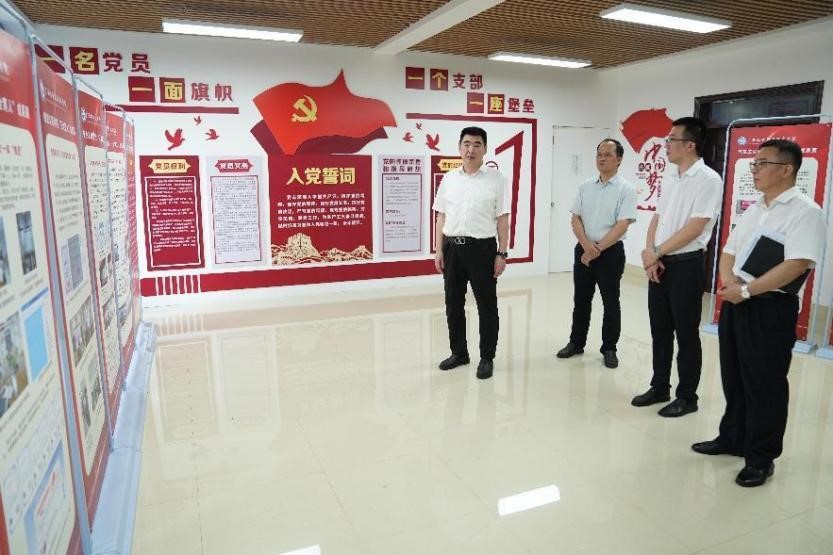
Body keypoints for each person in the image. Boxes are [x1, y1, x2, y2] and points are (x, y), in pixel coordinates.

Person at [692, 139, 825, 487]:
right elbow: (729, 250)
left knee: (765, 384)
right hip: (737, 302)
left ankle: (761, 457)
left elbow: (797, 264)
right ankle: (732, 438)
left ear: (787, 169)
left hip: (770, 308)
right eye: (754, 163)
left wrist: (747, 290)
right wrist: (729, 283)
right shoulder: (756, 209)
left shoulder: (805, 211)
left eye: (762, 163)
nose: (755, 170)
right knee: (734, 376)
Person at [632, 117, 722, 417]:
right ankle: (659, 386)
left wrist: (657, 251)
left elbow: (696, 227)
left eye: (671, 139)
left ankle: (687, 396)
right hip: (660, 262)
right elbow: (658, 217)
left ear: (690, 145)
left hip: (686, 265)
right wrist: (650, 253)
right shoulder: (671, 176)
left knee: (686, 334)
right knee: (660, 330)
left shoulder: (708, 179)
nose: (666, 144)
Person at [433, 126, 509, 380]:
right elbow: (441, 216)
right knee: (453, 303)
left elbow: (502, 218)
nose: (471, 149)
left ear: (485, 149)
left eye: (477, 144)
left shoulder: (496, 180)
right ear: (459, 148)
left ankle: (487, 357)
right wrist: (438, 250)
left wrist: (502, 253)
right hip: (452, 248)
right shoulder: (449, 179)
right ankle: (459, 353)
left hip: (482, 249)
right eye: (466, 144)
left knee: (486, 305)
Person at [556, 139, 637, 368]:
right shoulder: (585, 186)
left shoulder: (626, 189)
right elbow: (575, 218)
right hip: (584, 250)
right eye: (599, 154)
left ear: (619, 159)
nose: (602, 158)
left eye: (608, 154)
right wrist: (587, 246)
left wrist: (598, 249)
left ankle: (609, 348)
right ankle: (576, 342)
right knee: (581, 300)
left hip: (610, 254)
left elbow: (622, 224)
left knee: (611, 302)